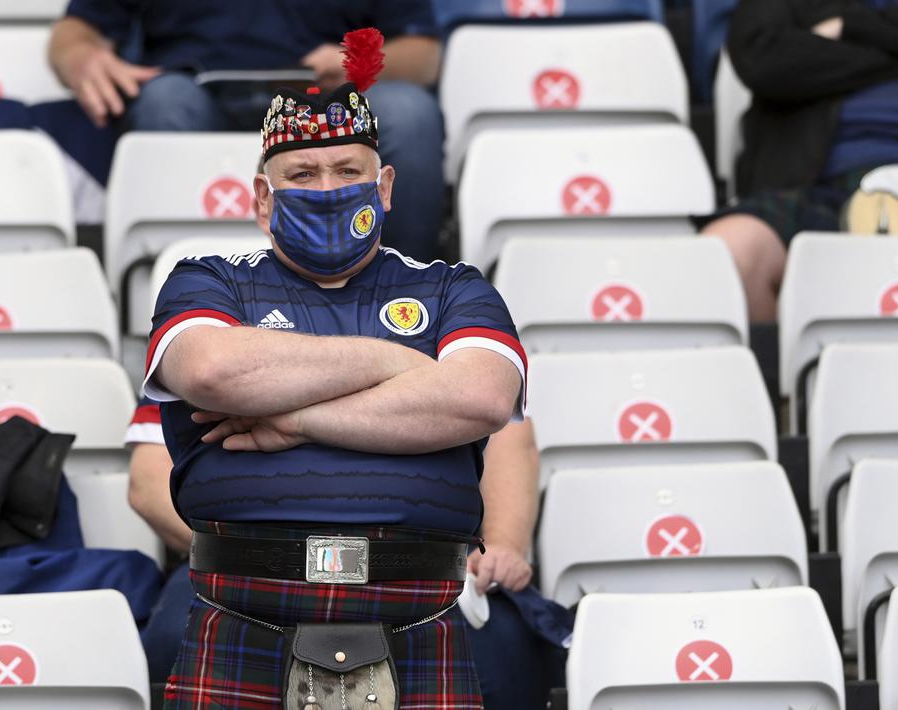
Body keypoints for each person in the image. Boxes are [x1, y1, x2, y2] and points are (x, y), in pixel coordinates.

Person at [141, 34, 526, 707]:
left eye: (348, 171)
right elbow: (211, 371)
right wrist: (394, 362)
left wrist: (289, 417)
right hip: (243, 608)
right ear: (262, 199)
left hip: (418, 611)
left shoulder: (453, 287)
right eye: (301, 175)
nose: (327, 190)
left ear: (385, 186)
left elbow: (481, 397)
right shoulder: (207, 281)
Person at [128, 402, 569, 708]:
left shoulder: (440, 309)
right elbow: (149, 482)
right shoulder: (217, 322)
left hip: (430, 567)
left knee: (508, 650)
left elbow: (504, 428)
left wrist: (504, 544)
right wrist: (246, 555)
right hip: (240, 565)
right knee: (170, 638)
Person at [47, 1, 446, 261]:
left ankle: (403, 297)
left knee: (409, 115)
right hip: (193, 98)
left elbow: (423, 55)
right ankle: (178, 300)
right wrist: (81, 58)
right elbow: (77, 30)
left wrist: (356, 62)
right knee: (164, 101)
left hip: (329, 106)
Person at [701, 0, 898, 322]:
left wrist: (849, 27)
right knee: (730, 253)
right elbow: (761, 58)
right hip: (818, 184)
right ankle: (777, 357)